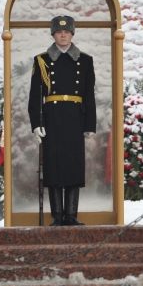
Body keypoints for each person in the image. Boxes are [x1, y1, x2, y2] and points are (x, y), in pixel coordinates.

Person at [28, 15, 96, 226]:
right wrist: (36, 123)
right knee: (54, 167)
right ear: (53, 34)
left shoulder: (85, 60)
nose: (63, 35)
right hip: (52, 119)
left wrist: (89, 124)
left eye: (67, 32)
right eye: (59, 32)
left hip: (76, 118)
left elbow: (88, 94)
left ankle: (71, 216)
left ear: (72, 34)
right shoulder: (42, 60)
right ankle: (57, 217)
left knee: (73, 166)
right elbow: (35, 95)